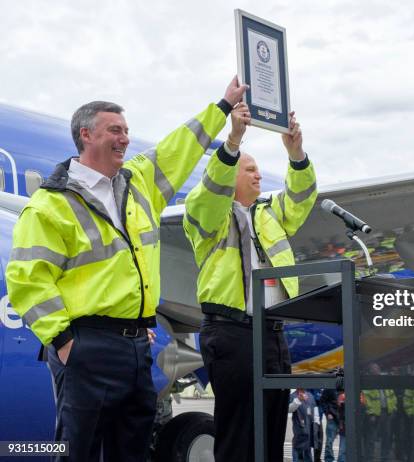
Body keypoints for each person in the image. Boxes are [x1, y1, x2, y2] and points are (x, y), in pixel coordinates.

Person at [5, 78, 245, 461]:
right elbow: (27, 279)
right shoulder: (50, 204)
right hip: (86, 345)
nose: (125, 139)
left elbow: (178, 148)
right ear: (86, 135)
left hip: (136, 344)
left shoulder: (138, 184)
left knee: (132, 450)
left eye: (127, 131)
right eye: (115, 130)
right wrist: (64, 340)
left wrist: (221, 106)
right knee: (76, 450)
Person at [183, 104, 316, 462]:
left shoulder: (270, 214)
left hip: (272, 333)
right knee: (240, 432)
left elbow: (302, 199)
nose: (259, 176)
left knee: (272, 429)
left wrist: (296, 154)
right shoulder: (208, 214)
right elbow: (209, 189)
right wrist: (233, 140)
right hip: (232, 332)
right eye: (251, 169)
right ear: (231, 175)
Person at [289, 389, 320, 462]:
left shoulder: (310, 395)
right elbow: (289, 409)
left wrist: (317, 422)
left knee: (308, 451)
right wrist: (298, 400)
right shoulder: (293, 396)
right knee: (297, 449)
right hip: (299, 429)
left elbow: (315, 409)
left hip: (309, 429)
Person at [321, 387, 346, 462]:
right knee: (329, 441)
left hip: (343, 418)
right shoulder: (330, 387)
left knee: (343, 444)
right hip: (333, 417)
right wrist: (327, 413)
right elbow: (322, 401)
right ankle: (329, 459)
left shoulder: (346, 385)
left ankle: (341, 460)